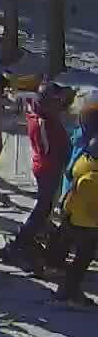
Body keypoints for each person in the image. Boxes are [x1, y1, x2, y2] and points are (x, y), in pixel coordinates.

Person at [57, 104, 98, 305]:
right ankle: (69, 293)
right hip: (87, 224)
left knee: (77, 255)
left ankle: (65, 287)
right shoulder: (93, 177)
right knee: (82, 258)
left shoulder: (84, 161)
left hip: (72, 216)